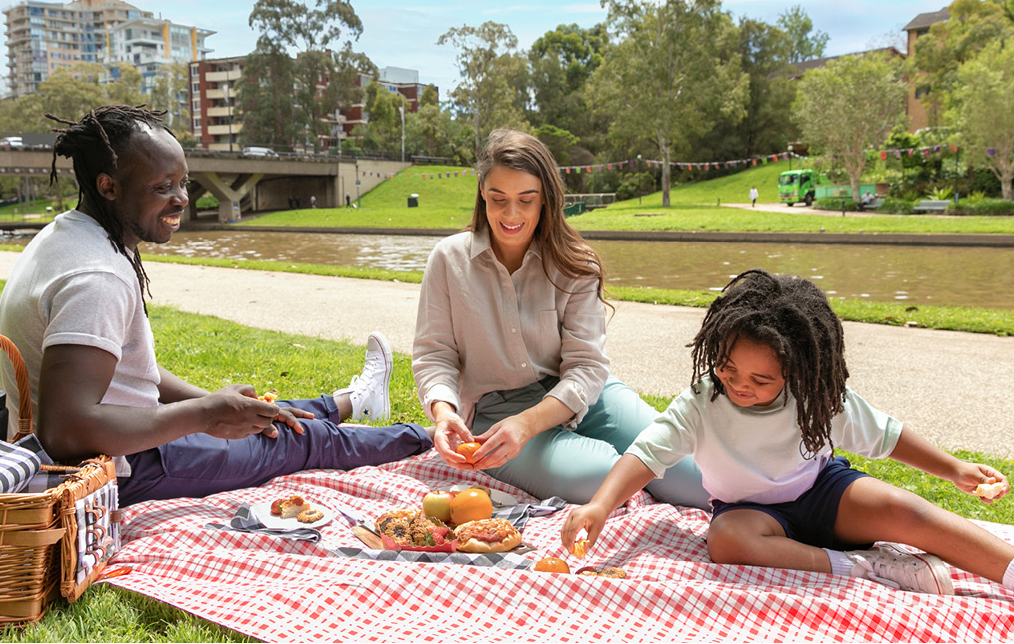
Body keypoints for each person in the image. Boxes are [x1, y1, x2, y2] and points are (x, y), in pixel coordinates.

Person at [0, 105, 432, 507]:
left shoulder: (70, 234)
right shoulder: (98, 276)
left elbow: (127, 371)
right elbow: (68, 431)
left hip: (128, 437)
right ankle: (435, 438)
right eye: (163, 187)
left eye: (183, 182)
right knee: (300, 441)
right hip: (119, 469)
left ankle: (353, 400)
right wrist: (206, 414)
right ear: (108, 187)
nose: (183, 199)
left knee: (270, 416)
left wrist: (210, 402)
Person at [561, 269, 1014, 596]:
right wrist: (601, 504)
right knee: (725, 542)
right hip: (749, 514)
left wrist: (954, 469)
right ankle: (864, 566)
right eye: (728, 368)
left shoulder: (814, 396)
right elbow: (646, 454)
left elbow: (887, 436)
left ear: (794, 371)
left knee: (908, 510)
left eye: (761, 381)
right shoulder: (702, 401)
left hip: (825, 495)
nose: (739, 385)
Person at [413, 129, 708, 507]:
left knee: (695, 476)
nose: (511, 214)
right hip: (496, 414)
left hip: (586, 396)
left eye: (526, 200)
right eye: (498, 199)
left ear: (545, 202)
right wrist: (443, 413)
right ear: (482, 194)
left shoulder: (576, 263)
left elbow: (586, 367)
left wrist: (531, 423)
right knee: (603, 479)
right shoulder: (447, 260)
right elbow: (434, 354)